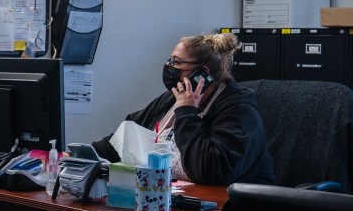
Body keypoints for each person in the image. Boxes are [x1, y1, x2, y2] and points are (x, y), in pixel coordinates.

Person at [92, 32, 275, 185]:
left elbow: (209, 170)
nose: (169, 67)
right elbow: (129, 135)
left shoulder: (239, 111)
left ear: (203, 73)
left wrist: (187, 113)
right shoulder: (172, 99)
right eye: (170, 60)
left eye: (177, 62)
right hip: (174, 197)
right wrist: (87, 155)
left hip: (229, 209)